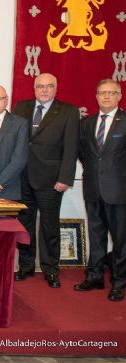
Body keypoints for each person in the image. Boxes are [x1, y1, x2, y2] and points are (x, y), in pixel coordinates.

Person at [12, 73, 80, 288]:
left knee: (50, 226)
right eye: (40, 86)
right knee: (25, 225)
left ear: (55, 88)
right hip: (22, 177)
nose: (44, 90)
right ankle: (25, 267)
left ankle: (51, 269)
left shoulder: (68, 111)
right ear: (34, 87)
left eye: (49, 86)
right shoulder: (21, 107)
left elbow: (71, 148)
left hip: (51, 180)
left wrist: (65, 178)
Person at [75, 79, 125, 301]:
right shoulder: (86, 123)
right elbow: (83, 154)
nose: (106, 96)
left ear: (119, 96)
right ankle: (94, 277)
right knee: (95, 236)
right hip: (93, 188)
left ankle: (119, 282)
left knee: (120, 239)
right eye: (102, 92)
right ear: (96, 96)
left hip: (119, 191)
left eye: (111, 92)